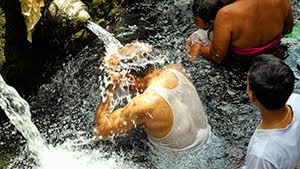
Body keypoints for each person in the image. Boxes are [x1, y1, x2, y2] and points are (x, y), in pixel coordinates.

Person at [94, 45, 211, 151]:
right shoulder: (175, 70)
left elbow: (101, 130)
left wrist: (111, 84)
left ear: (130, 78)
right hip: (210, 144)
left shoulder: (144, 104)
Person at [186, 0, 294, 63]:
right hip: (276, 57)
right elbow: (288, 29)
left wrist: (199, 47)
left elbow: (217, 56)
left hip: (241, 66)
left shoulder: (226, 14)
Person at [244, 54, 300, 168]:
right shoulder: (296, 100)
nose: (246, 83)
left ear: (252, 96)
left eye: (248, 83)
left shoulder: (261, 154)